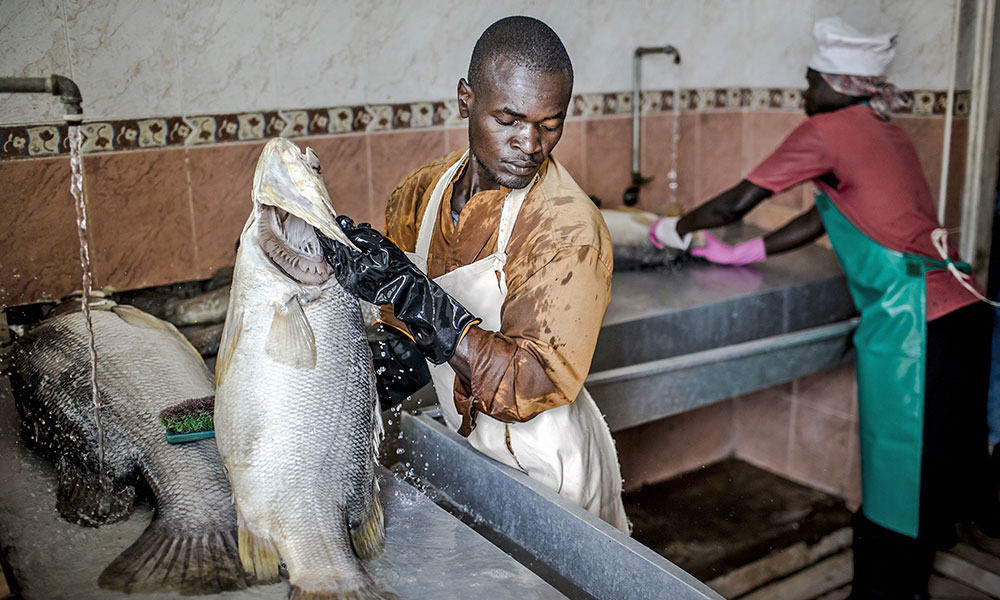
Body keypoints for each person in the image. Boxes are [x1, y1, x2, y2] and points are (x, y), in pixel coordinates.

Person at [650, 16, 998, 599]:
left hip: (917, 324)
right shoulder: (885, 130)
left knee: (897, 478)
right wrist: (747, 254)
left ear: (838, 83)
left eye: (811, 78)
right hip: (964, 313)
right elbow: (827, 216)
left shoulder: (830, 127)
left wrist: (671, 229)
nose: (804, 88)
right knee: (930, 475)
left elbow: (739, 200)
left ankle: (884, 594)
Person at [317, 16, 630, 533]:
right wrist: (368, 367)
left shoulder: (568, 228)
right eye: (508, 119)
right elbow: (413, 338)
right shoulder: (421, 194)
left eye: (550, 124)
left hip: (551, 474)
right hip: (477, 454)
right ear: (466, 99)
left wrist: (416, 297)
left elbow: (527, 384)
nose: (530, 144)